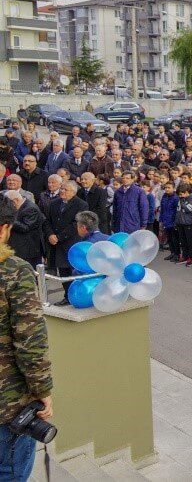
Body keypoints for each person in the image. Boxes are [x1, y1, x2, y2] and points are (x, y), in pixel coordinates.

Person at [0, 195, 53, 481]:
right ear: (4, 229)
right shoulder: (13, 271)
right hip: (7, 404)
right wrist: (43, 393)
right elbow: (31, 344)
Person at [46, 181, 88, 305]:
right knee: (62, 271)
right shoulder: (54, 203)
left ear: (74, 192)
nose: (62, 191)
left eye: (66, 190)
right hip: (55, 243)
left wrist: (59, 237)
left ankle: (77, 295)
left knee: (73, 271)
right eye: (62, 189)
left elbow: (76, 224)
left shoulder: (81, 205)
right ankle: (67, 296)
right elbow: (47, 221)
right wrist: (50, 235)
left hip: (71, 242)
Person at [4, 190, 45, 269]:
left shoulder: (31, 208)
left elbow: (25, 227)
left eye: (8, 203)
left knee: (30, 274)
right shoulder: (17, 206)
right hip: (17, 248)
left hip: (28, 251)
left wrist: (10, 218)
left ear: (16, 200)